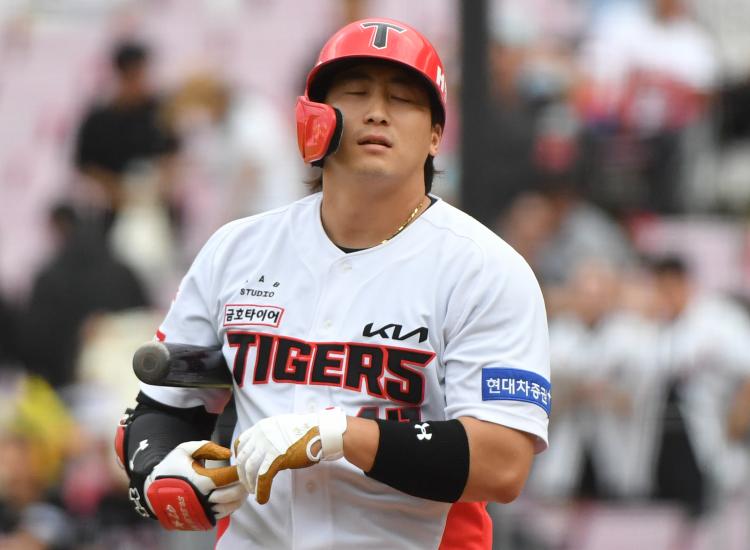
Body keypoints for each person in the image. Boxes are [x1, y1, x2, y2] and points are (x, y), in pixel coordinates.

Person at [115, 19, 550, 549]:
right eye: (356, 92)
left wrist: (340, 435)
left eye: (402, 98)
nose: (377, 111)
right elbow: (158, 408)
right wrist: (162, 471)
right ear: (314, 116)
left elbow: (502, 463)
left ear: (436, 134)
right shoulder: (236, 249)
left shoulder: (485, 268)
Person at [73, 40, 179, 231]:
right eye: (136, 74)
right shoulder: (99, 118)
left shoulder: (160, 112)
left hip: (158, 209)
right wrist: (118, 193)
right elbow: (86, 166)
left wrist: (156, 188)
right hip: (112, 211)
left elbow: (172, 155)